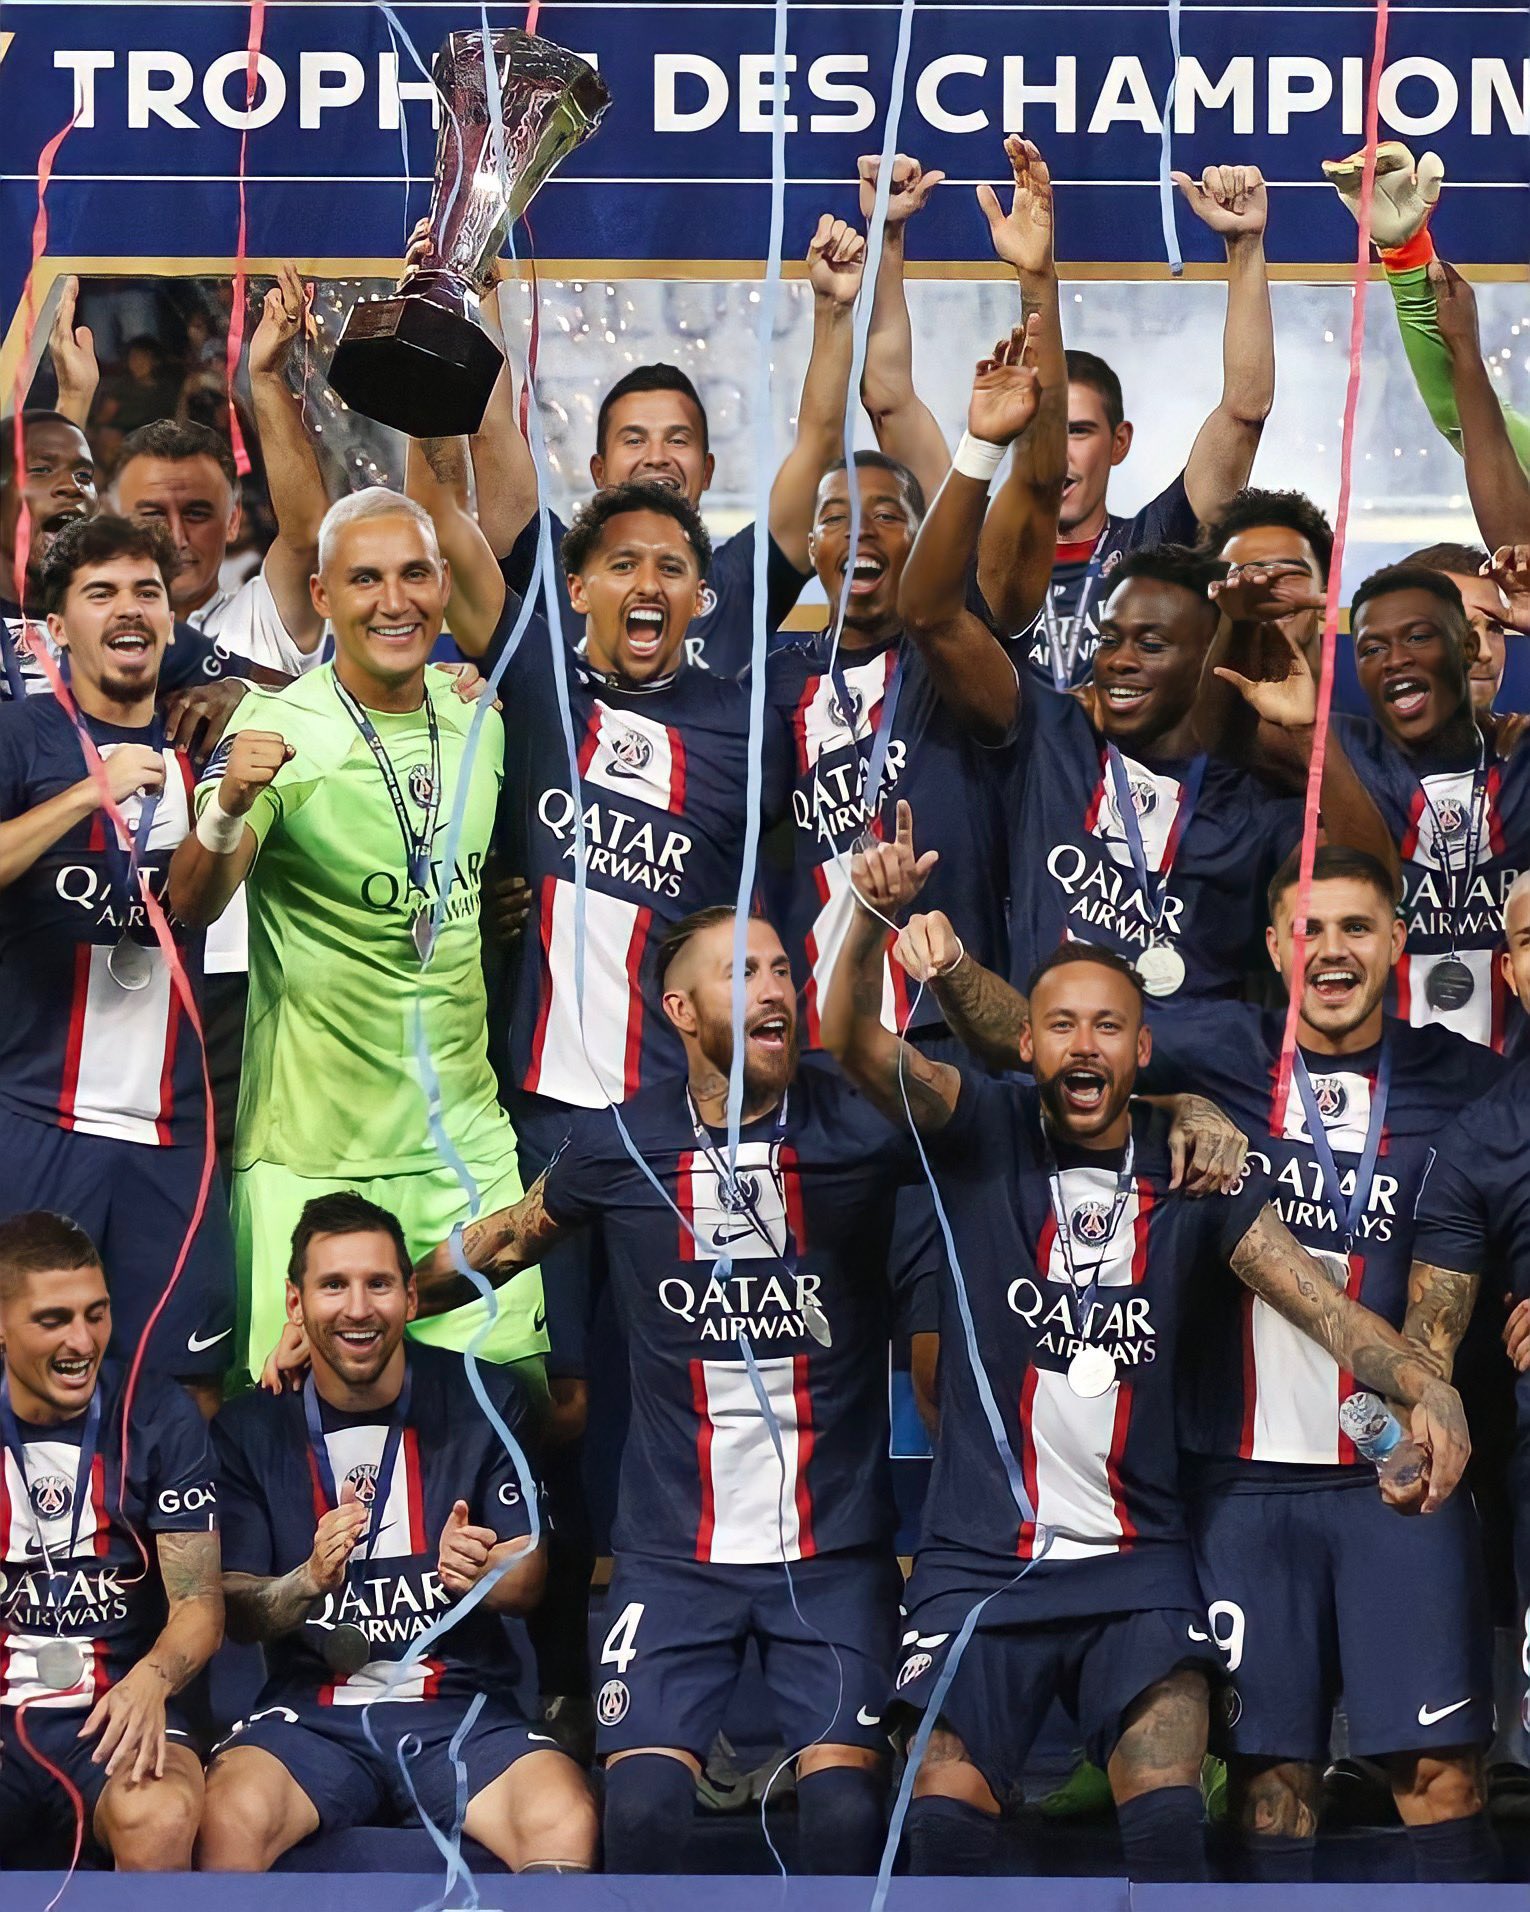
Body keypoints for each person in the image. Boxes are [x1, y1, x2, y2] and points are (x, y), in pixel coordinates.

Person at [822, 825, 1472, 1880]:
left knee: (1170, 1820)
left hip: (1140, 1566)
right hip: (983, 1563)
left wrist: (1424, 1386)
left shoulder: (1195, 1179)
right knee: (939, 1819)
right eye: (1062, 1025)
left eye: (1108, 1028)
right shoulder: (981, 1132)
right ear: (1026, 1043)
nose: (1084, 1046)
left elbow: (1323, 1305)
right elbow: (849, 1036)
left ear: (1141, 1050)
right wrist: (867, 920)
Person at [167, 488, 542, 1385]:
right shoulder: (279, 727)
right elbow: (193, 900)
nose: (394, 601)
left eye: (414, 575)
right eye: (365, 579)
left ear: (444, 585)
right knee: (298, 1423)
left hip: (463, 1149)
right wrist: (228, 806)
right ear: (324, 596)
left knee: (518, 1409)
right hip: (313, 1162)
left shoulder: (480, 719)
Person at [899, 348, 1395, 1002]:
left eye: (1151, 644)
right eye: (1109, 639)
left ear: (1201, 657)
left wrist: (1309, 737)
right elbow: (931, 616)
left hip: (1205, 1059)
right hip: (1053, 1052)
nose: (1119, 660)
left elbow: (1373, 891)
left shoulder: (1249, 789)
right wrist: (982, 449)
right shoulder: (1051, 736)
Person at [199, 1193, 595, 1873]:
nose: (357, 1308)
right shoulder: (249, 1428)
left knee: (565, 1814)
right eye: (334, 1285)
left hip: (460, 1711)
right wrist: (305, 1582)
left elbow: (529, 1578)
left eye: (378, 1284)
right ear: (295, 1303)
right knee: (226, 1814)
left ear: (411, 1297)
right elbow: (232, 1610)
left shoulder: (484, 1400)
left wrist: (484, 1571)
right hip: (309, 1720)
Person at [0, 515, 237, 1408]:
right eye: (100, 593)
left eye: (147, 591)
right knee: (21, 1381)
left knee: (187, 1393)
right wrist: (87, 794)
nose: (128, 608)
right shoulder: (20, 736)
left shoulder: (208, 747)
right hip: (36, 1119)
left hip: (174, 1137)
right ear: (57, 628)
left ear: (173, 618)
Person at [424, 213, 871, 678]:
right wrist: (467, 292)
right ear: (599, 471)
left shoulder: (740, 586)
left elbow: (819, 451)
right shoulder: (550, 571)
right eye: (634, 439)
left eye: (678, 439)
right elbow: (490, 431)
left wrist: (834, 308)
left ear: (707, 470)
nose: (657, 456)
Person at [977, 139, 1275, 686]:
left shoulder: (1154, 545)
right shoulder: (990, 560)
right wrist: (1036, 281)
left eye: (1081, 431)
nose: (1061, 451)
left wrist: (1246, 249)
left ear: (1119, 443)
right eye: (1051, 430)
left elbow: (1244, 410)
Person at [0, 1211, 223, 1870]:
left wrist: (152, 1680)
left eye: (95, 1315)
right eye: (53, 1320)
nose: (82, 1340)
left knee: (159, 1815)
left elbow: (200, 1604)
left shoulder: (158, 1417)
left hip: (121, 1708)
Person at [1329, 564, 1530, 1049]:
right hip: (1392, 1072)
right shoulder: (1342, 753)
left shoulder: (1522, 755)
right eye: (1461, 629)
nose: (1483, 651)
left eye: (1495, 629)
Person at [112, 266, 330, 678]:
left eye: (196, 513)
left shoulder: (261, 619)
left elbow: (305, 537)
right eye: (153, 514)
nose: (177, 537)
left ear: (232, 521)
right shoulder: (90, 632)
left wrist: (266, 376)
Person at [0, 410, 261, 719]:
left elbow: (287, 689)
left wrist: (239, 690)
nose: (72, 486)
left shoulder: (131, 625)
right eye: (41, 469)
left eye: (83, 476)